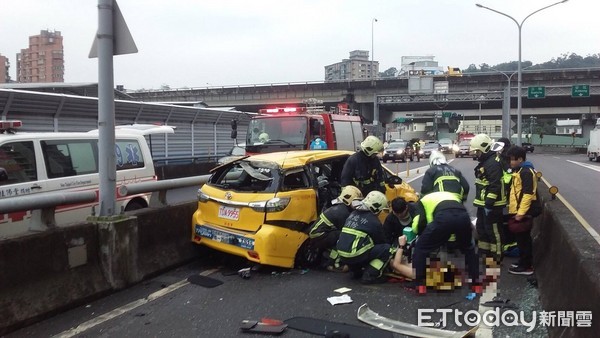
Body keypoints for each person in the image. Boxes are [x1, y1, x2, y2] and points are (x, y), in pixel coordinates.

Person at [409, 191, 480, 295]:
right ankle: (476, 284)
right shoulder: (450, 195)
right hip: (463, 217)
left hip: (443, 218)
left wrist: (420, 234)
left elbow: (421, 222)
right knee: (468, 249)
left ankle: (419, 285)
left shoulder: (422, 202)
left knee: (421, 248)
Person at [336, 191, 392, 284]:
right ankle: (370, 274)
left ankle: (355, 271)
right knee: (387, 249)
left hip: (342, 254)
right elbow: (381, 242)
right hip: (355, 254)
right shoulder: (374, 221)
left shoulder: (353, 213)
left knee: (362, 245)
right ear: (377, 208)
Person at [470, 134, 507, 266]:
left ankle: (497, 257)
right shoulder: (487, 162)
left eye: (477, 151)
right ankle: (485, 255)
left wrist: (489, 204)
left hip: (493, 205)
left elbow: (494, 185)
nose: (476, 154)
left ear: (484, 149)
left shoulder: (493, 164)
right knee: (482, 229)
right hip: (483, 204)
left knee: (494, 232)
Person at [308, 185, 363, 272]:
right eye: (356, 201)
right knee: (343, 236)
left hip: (317, 234)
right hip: (318, 235)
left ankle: (329, 260)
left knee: (339, 235)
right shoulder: (343, 213)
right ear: (349, 200)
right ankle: (333, 263)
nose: (357, 204)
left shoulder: (340, 207)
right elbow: (346, 233)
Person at [505, 145, 538, 276]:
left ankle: (526, 266)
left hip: (524, 211)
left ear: (520, 159)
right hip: (518, 210)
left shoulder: (526, 172)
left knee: (524, 239)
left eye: (513, 159)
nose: (510, 162)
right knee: (521, 239)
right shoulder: (519, 171)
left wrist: (521, 213)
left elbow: (528, 194)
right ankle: (523, 262)